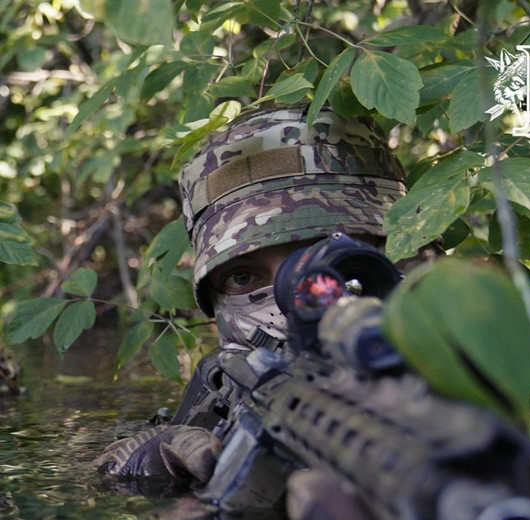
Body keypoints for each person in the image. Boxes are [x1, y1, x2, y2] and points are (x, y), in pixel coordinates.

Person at [96, 106, 408, 481]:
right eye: (243, 277)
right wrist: (147, 469)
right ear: (214, 302)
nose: (290, 302)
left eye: (326, 259)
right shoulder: (230, 388)